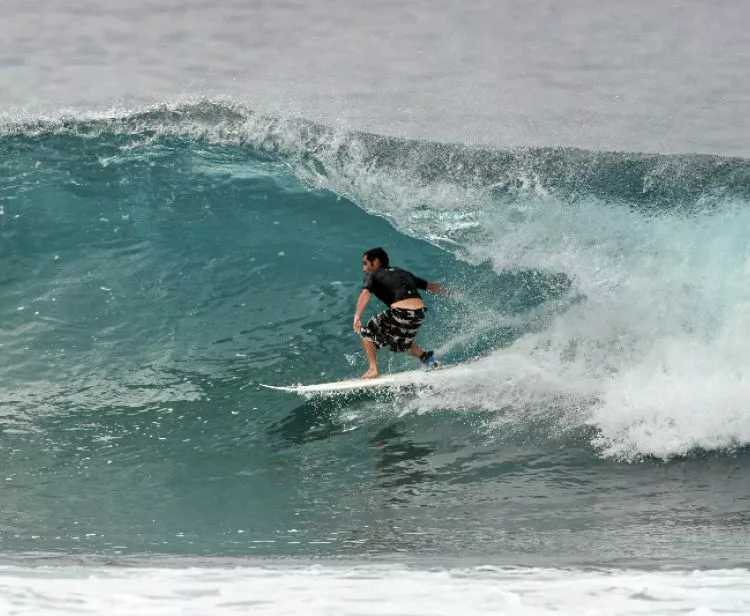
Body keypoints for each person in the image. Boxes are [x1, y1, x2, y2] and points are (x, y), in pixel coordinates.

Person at [353, 247, 449, 379]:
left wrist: (357, 317)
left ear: (375, 261)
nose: (364, 269)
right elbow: (430, 286)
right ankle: (430, 361)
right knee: (402, 342)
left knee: (367, 331)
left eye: (365, 263)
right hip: (419, 314)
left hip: (402, 312)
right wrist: (452, 294)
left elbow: (365, 293)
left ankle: (372, 369)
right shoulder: (403, 272)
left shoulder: (373, 275)